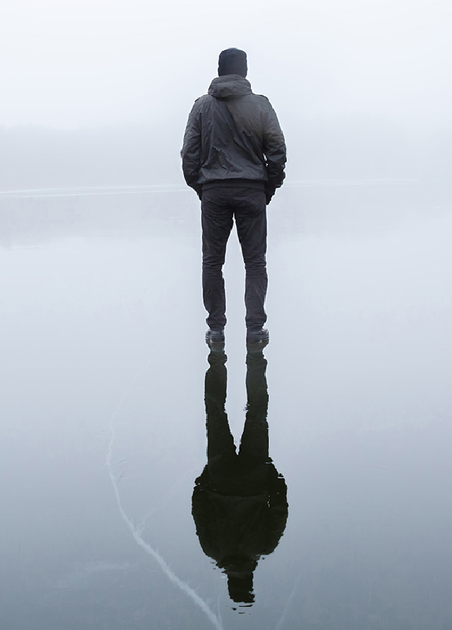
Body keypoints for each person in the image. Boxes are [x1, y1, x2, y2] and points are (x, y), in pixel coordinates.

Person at [181, 48, 287, 348]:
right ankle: (255, 330)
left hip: (214, 192)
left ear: (219, 70)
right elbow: (277, 150)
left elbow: (189, 154)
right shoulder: (261, 106)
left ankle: (216, 331)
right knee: (255, 263)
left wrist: (202, 187)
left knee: (212, 262)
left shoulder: (201, 107)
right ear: (245, 71)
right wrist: (268, 186)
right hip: (252, 191)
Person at [192, 347, 287, 606]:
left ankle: (255, 356)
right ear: (230, 581)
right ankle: (216, 356)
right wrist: (203, 481)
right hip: (221, 478)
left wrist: (274, 478)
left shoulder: (263, 548)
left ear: (250, 581)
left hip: (255, 478)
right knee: (215, 414)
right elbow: (199, 511)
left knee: (257, 414)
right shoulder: (213, 551)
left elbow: (279, 511)